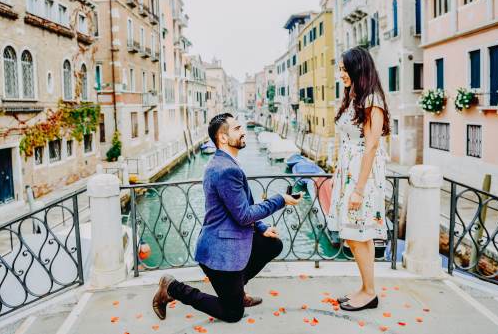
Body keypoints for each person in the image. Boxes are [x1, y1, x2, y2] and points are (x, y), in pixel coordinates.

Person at [152, 113, 301, 323]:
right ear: (223, 137)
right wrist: (280, 199)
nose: (243, 131)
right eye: (237, 128)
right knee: (233, 314)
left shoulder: (225, 163)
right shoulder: (226, 170)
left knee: (272, 244)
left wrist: (260, 226)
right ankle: (172, 288)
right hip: (221, 252)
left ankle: (237, 291)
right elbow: (242, 215)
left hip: (230, 240)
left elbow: (242, 205)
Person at [327, 47, 390, 312]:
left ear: (358, 69)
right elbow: (348, 142)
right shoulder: (354, 97)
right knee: (357, 236)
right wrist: (337, 175)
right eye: (340, 69)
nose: (340, 74)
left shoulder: (372, 99)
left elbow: (372, 145)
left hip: (363, 177)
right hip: (349, 174)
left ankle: (370, 292)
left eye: (344, 69)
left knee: (357, 235)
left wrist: (359, 190)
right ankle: (366, 289)